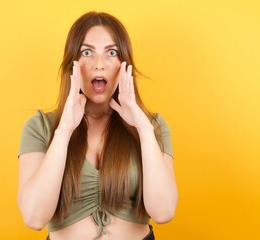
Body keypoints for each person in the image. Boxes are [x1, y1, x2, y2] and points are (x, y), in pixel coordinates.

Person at [17, 11, 177, 240]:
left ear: (124, 65)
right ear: (72, 62)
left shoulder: (152, 127)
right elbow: (34, 217)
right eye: (87, 52)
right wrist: (64, 131)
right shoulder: (40, 127)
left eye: (111, 52)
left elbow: (164, 211)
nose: (99, 65)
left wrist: (143, 129)